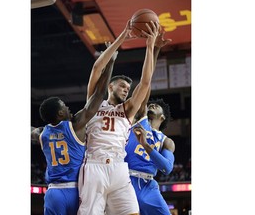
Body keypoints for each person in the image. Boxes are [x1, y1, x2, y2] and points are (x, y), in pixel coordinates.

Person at [77, 19, 159, 215]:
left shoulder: (128, 109)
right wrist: (122, 36)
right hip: (94, 167)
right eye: (122, 86)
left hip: (119, 169)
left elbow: (146, 83)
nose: (126, 90)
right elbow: (97, 69)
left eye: (128, 89)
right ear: (110, 86)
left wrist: (150, 45)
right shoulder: (94, 103)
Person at [31, 50, 117, 215]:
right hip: (77, 192)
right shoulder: (75, 125)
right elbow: (99, 94)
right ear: (60, 114)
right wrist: (111, 62)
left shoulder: (42, 134)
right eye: (64, 105)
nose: (68, 106)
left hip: (53, 194)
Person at [124, 28, 175, 215]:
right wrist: (154, 49)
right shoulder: (140, 119)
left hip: (148, 186)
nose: (151, 105)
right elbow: (146, 82)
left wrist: (146, 145)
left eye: (156, 106)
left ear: (162, 117)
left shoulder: (167, 141)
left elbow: (167, 168)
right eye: (150, 104)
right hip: (125, 182)